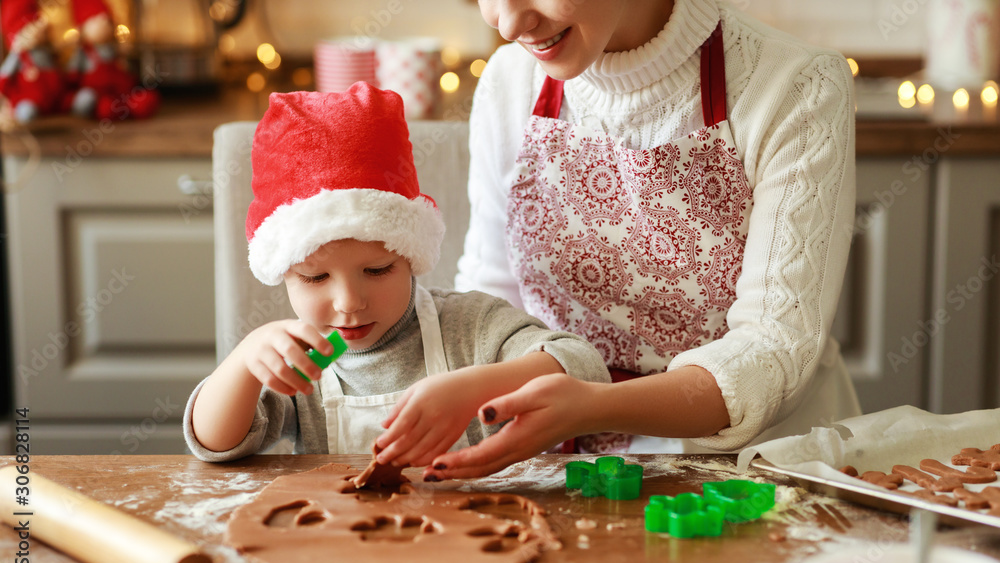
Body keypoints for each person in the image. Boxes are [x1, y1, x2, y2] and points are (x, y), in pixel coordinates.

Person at [412, 0, 862, 479]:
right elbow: (492, 298)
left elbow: (771, 350)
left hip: (751, 472)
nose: (508, 24)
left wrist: (593, 405)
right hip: (553, 462)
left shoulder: (794, 84)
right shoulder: (510, 79)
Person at [183, 84, 610, 464]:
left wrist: (475, 387)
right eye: (316, 278)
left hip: (470, 539)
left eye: (377, 269)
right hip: (341, 544)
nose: (349, 302)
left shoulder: (470, 328)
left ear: (411, 257)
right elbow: (216, 443)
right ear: (284, 275)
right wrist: (243, 360)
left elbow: (587, 370)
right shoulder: (298, 361)